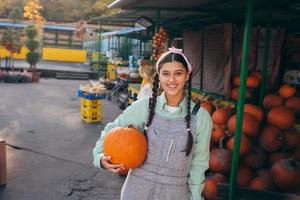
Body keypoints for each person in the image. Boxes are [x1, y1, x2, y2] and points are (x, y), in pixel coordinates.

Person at [93, 47, 212, 200]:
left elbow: (199, 165)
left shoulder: (200, 118)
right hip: (135, 192)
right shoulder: (144, 107)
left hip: (175, 194)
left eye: (178, 73)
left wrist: (195, 197)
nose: (172, 80)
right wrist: (100, 158)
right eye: (166, 73)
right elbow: (112, 129)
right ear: (159, 77)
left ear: (187, 75)